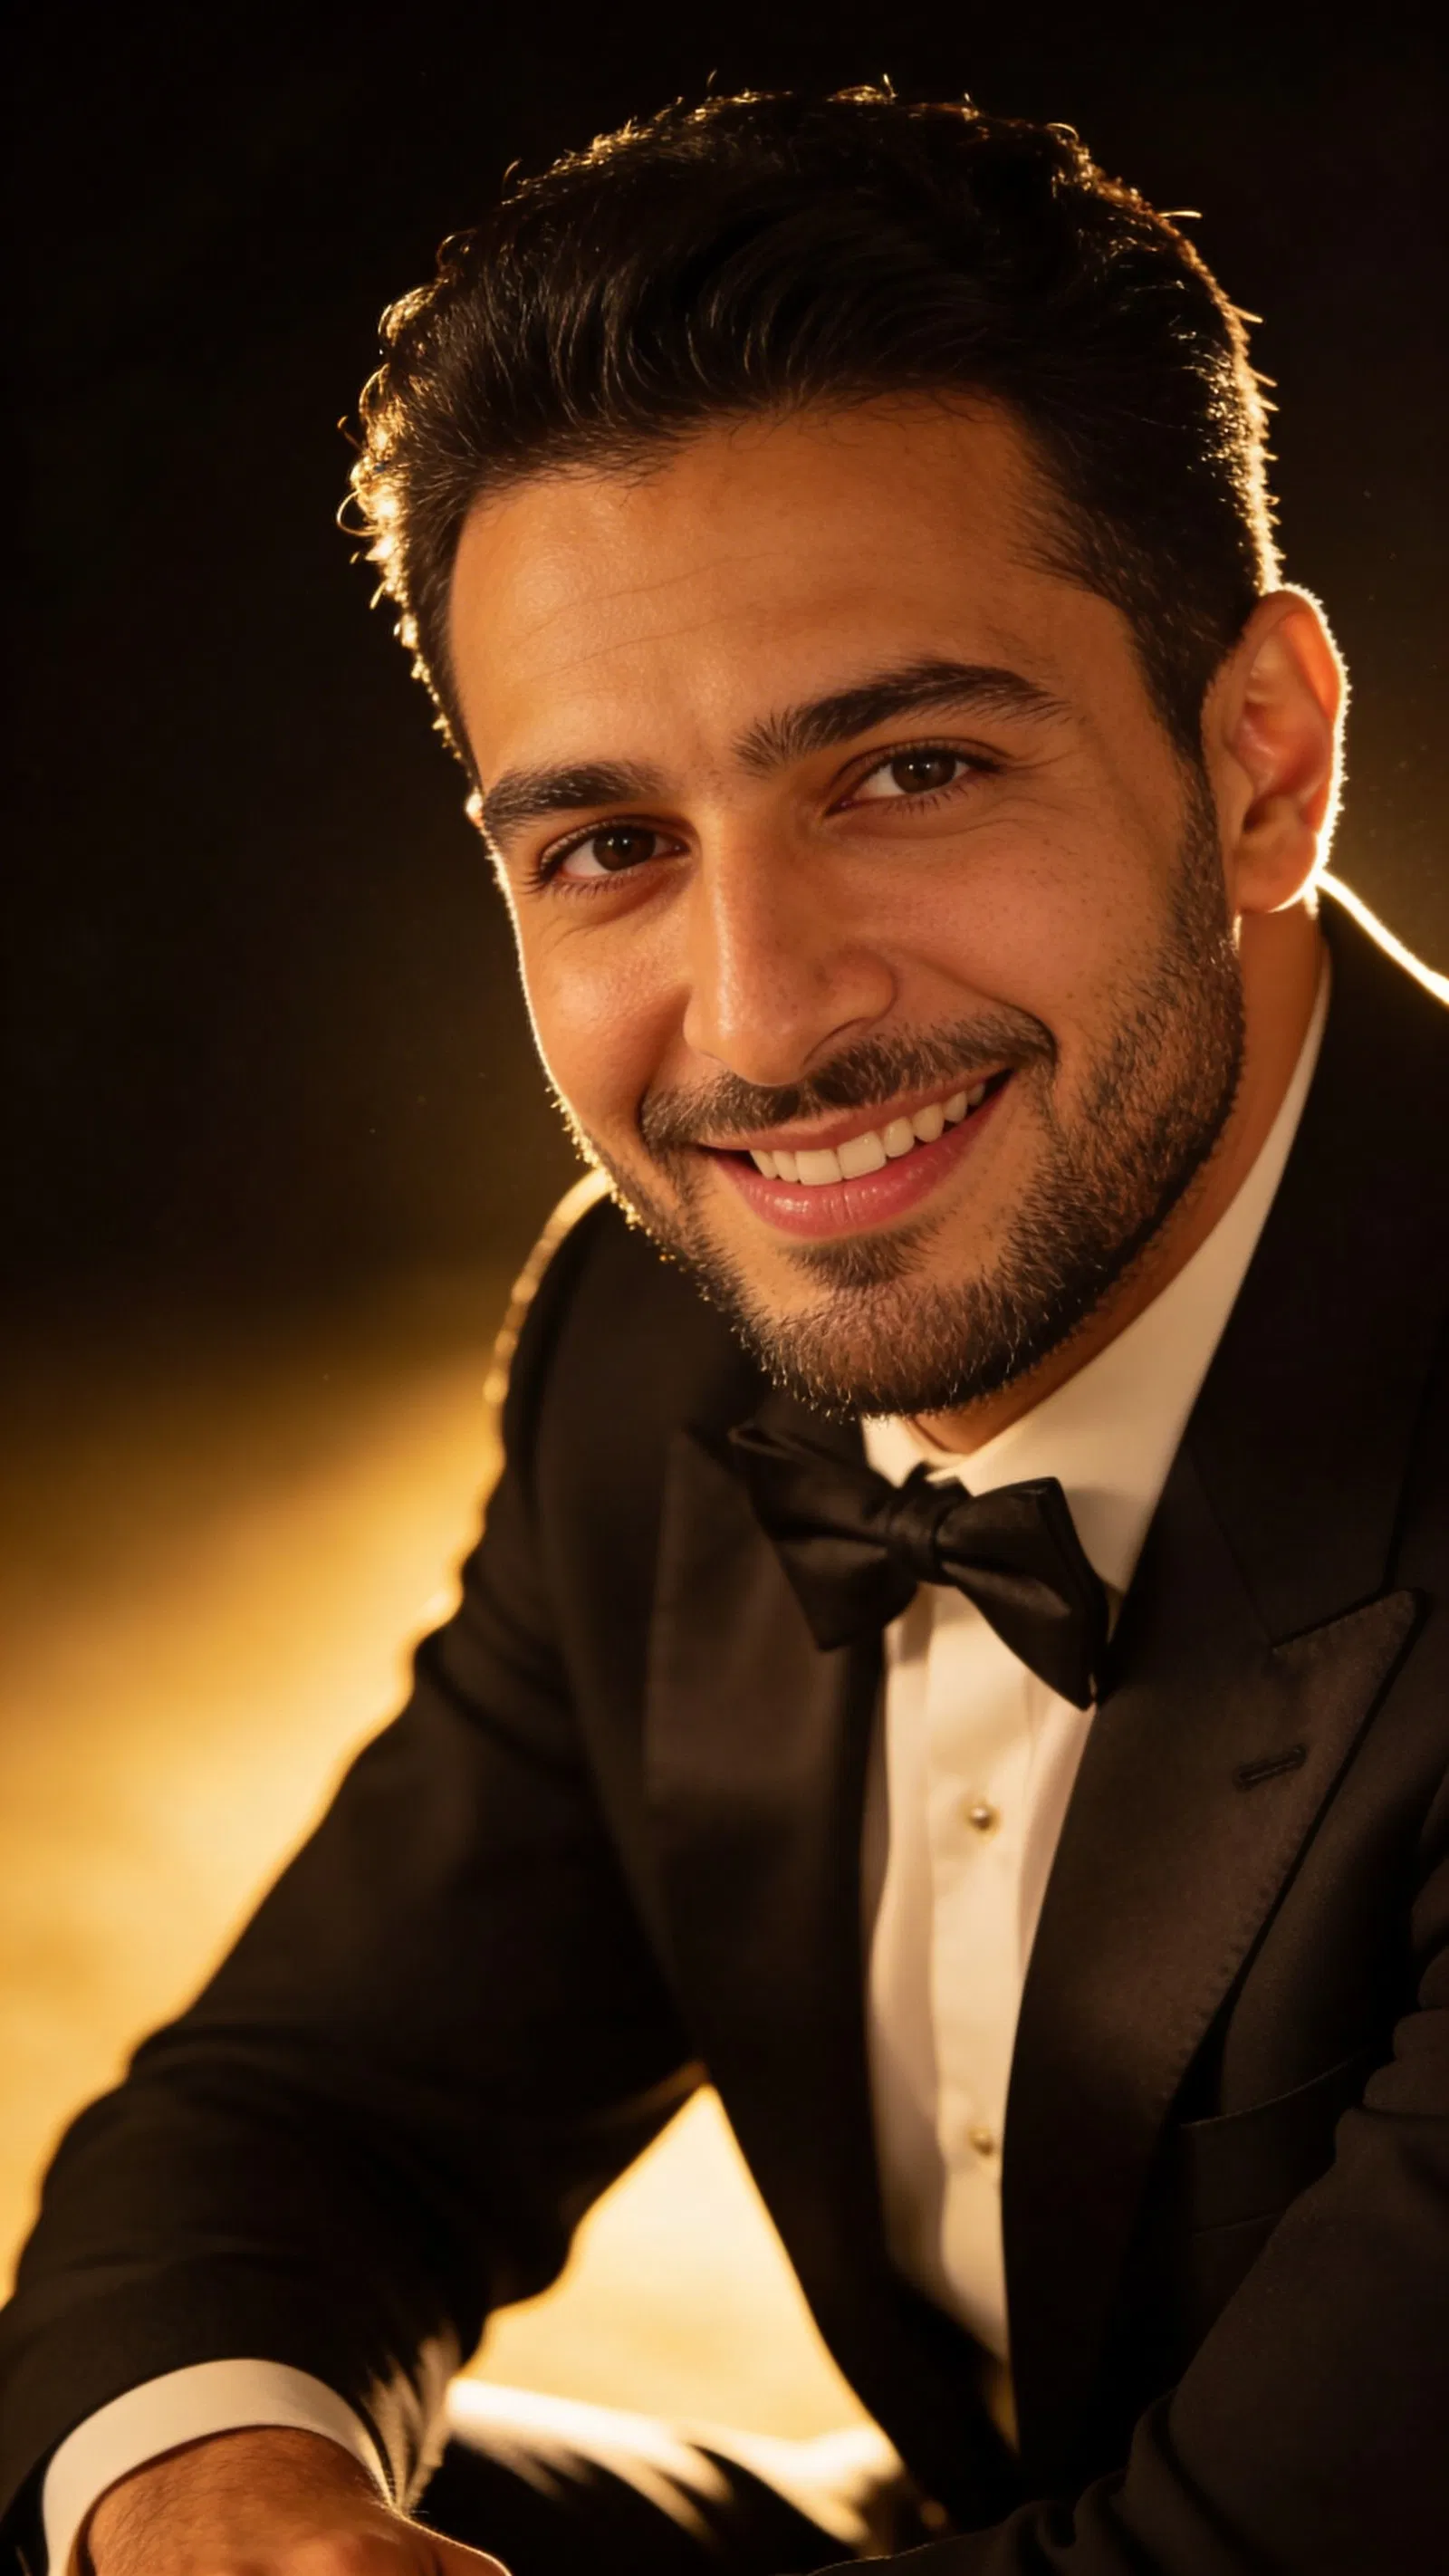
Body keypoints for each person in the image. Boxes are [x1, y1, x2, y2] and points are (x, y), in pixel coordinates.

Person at [3, 86, 1446, 2576]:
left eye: (906, 767)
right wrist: (238, 2514)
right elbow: (303, 2121)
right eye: (609, 845)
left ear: (1261, 761)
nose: (761, 1017)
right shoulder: (649, 1350)